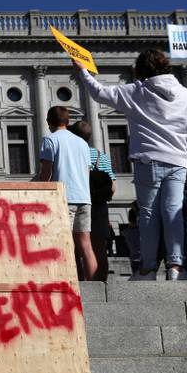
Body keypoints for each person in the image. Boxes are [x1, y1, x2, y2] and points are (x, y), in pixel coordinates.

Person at [75, 50, 187, 280]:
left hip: (148, 160)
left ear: (142, 70)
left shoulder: (137, 91)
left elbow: (98, 92)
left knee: (148, 214)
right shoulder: (186, 94)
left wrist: (82, 69)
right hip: (177, 161)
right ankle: (176, 267)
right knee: (174, 212)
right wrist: (180, 149)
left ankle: (148, 268)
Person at [36, 106, 97, 281]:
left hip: (63, 198)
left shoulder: (50, 140)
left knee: (65, 243)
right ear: (68, 122)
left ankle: (70, 281)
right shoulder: (83, 143)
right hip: (84, 198)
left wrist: (39, 191)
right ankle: (94, 284)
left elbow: (46, 173)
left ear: (48, 122)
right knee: (86, 244)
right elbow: (86, 171)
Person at [69, 120, 117, 282]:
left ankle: (80, 282)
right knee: (99, 248)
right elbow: (113, 186)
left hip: (79, 202)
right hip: (99, 206)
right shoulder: (100, 156)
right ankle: (100, 282)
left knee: (76, 247)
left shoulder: (73, 156)